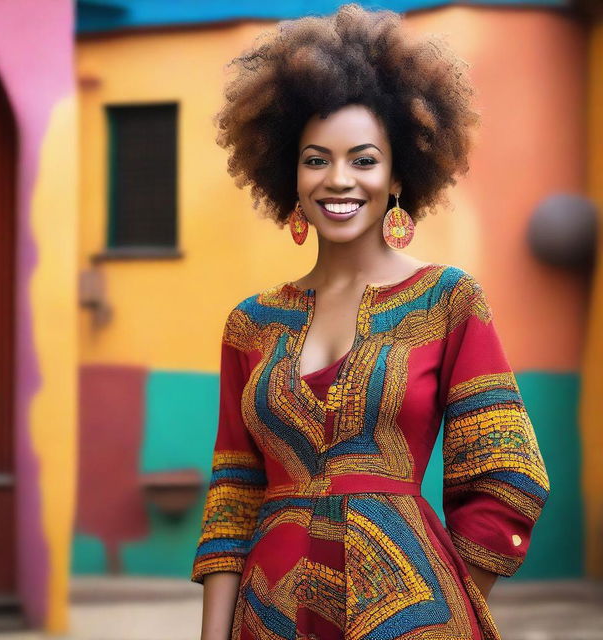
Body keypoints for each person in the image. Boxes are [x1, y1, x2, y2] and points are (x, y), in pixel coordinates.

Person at [190, 4, 550, 639]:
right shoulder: (250, 324)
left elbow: (507, 469)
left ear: (398, 174)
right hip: (269, 619)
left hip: (412, 617)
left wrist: (441, 603)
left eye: (362, 159)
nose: (338, 180)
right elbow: (233, 495)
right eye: (315, 159)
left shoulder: (448, 299)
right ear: (288, 174)